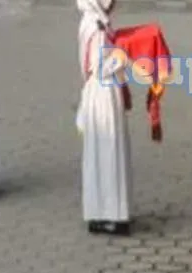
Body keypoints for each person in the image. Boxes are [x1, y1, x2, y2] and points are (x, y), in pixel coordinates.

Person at [76, 0, 132, 236]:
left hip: (106, 89)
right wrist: (126, 55)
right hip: (102, 91)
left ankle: (111, 211)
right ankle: (108, 212)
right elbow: (98, 66)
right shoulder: (95, 26)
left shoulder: (99, 23)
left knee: (110, 151)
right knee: (106, 151)